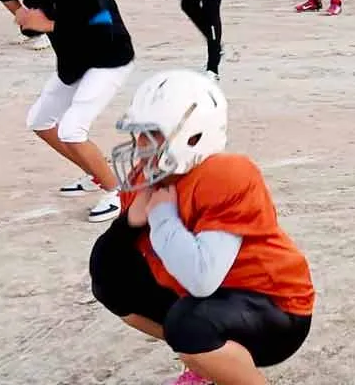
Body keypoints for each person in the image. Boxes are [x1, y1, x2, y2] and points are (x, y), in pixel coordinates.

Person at [92, 70, 314, 385]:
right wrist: (128, 224)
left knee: (191, 324)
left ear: (193, 135)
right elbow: (105, 266)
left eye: (152, 133)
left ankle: (211, 357)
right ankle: (208, 362)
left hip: (276, 308)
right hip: (215, 300)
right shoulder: (145, 177)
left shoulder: (226, 174)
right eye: (138, 132)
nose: (140, 144)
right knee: (112, 283)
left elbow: (202, 278)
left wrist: (163, 214)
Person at [7, 0, 136, 224]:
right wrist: (22, 14)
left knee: (72, 129)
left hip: (108, 59)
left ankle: (118, 192)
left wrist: (46, 24)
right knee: (40, 121)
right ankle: (95, 172)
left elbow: (102, 27)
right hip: (74, 61)